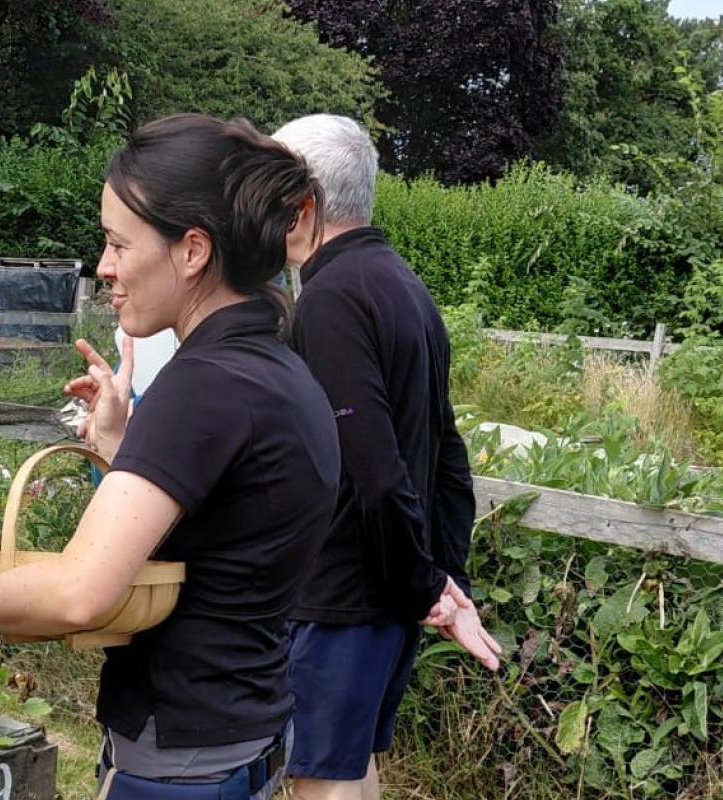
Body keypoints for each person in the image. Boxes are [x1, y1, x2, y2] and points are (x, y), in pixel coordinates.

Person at [0, 114, 341, 800]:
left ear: (192, 251)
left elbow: (78, 593)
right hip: (248, 733)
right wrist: (126, 447)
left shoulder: (200, 385)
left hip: (179, 757)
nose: (104, 266)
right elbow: (229, 528)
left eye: (119, 242)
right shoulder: (276, 366)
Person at [273, 114, 503, 800]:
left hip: (346, 596)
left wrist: (429, 586)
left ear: (305, 202)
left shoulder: (331, 300)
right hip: (386, 596)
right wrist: (440, 577)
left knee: (321, 780)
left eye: (271, 188)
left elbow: (374, 471)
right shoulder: (404, 284)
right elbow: (447, 457)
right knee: (352, 771)